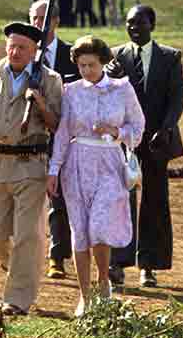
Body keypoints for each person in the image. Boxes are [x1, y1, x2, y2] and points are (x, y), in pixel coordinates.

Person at [0, 21, 63, 316]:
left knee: (27, 236)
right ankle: (20, 267)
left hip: (32, 166)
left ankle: (17, 300)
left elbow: (57, 124)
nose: (15, 52)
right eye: (11, 46)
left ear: (35, 51)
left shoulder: (49, 79)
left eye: (22, 47)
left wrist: (41, 103)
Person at [47, 36, 145, 316]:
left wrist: (117, 132)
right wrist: (54, 169)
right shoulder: (71, 91)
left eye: (90, 64)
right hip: (76, 165)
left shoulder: (122, 89)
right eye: (81, 65)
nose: (86, 71)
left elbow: (138, 127)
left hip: (109, 162)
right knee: (79, 232)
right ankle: (85, 296)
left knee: (100, 226)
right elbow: (63, 133)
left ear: (103, 62)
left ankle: (104, 282)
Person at [106, 5, 183, 288]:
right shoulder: (115, 57)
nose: (133, 28)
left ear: (152, 23)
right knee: (120, 200)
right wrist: (109, 77)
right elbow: (104, 96)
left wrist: (165, 130)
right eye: (129, 23)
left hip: (156, 141)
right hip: (124, 139)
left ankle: (148, 265)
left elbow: (177, 98)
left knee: (154, 201)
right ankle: (118, 263)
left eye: (139, 23)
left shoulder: (170, 57)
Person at [29, 0, 80, 280]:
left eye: (44, 18)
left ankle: (57, 256)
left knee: (59, 196)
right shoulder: (24, 54)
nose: (39, 24)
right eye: (35, 18)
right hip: (31, 136)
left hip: (65, 135)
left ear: (56, 21)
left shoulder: (71, 54)